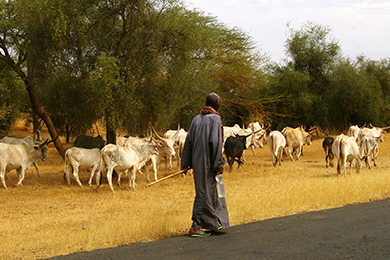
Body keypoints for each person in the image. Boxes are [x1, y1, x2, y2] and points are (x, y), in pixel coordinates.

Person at [181, 92, 230, 237]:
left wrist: (186, 163)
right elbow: (215, 143)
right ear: (217, 104)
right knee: (205, 193)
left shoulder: (196, 119)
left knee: (212, 192)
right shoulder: (215, 119)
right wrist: (218, 164)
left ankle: (214, 223)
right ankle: (196, 226)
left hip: (197, 163)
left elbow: (188, 142)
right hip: (208, 163)